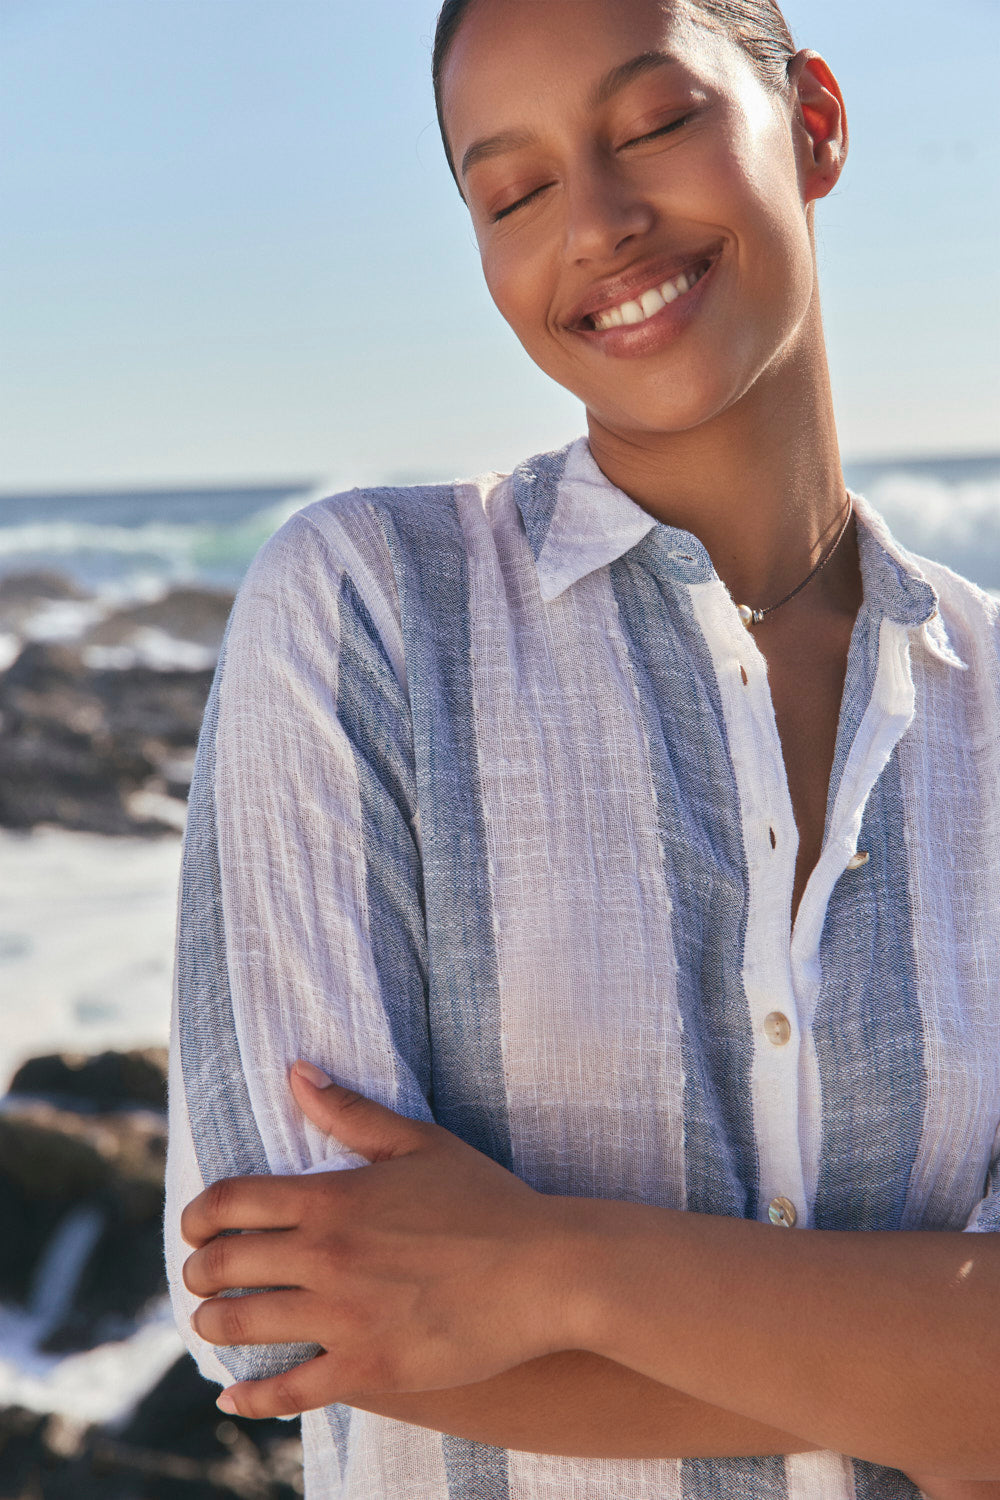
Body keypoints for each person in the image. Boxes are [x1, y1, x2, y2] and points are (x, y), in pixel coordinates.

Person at [163, 1, 1000, 1497]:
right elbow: (284, 1318)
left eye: (656, 124)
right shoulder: (363, 613)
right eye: (515, 192)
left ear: (814, 123)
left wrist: (554, 1270)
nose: (598, 224)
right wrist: (925, 1366)